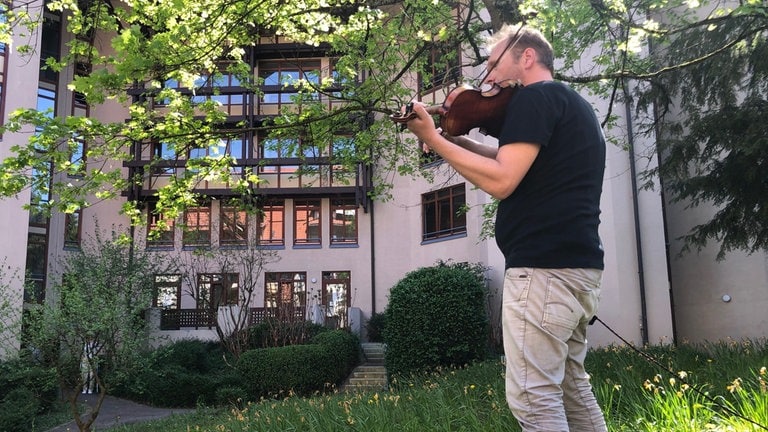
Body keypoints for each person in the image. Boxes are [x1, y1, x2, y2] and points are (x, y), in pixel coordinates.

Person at [404, 24, 607, 432]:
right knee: (572, 389)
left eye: (494, 64)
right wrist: (455, 141)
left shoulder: (533, 99)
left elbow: (501, 180)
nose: (489, 78)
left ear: (526, 57)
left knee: (534, 398)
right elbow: (508, 157)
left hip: (543, 272)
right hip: (579, 271)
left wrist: (433, 140)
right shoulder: (573, 105)